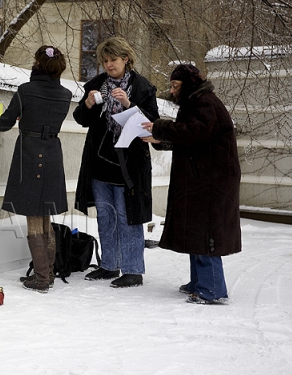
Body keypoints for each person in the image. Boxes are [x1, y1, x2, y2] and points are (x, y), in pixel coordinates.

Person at [141, 64, 241, 304]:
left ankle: (212, 288)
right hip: (201, 179)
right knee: (197, 231)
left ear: (189, 84)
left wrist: (162, 127)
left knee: (207, 234)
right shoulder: (197, 102)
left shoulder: (205, 102)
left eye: (176, 86)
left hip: (211, 181)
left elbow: (198, 131)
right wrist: (161, 138)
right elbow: (190, 138)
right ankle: (199, 283)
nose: (173, 91)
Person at [0, 45, 72, 293]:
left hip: (30, 154)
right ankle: (49, 272)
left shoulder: (26, 91)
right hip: (53, 153)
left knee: (34, 214)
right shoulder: (65, 95)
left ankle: (42, 277)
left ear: (38, 64)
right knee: (45, 215)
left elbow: (4, 124)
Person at [73, 37, 159, 288]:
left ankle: (133, 270)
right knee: (105, 216)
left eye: (114, 60)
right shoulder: (96, 85)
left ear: (126, 59)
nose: (109, 65)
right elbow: (81, 118)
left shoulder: (142, 87)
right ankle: (109, 265)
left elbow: (151, 123)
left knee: (127, 216)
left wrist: (128, 104)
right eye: (105, 61)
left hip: (128, 164)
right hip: (100, 161)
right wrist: (88, 104)